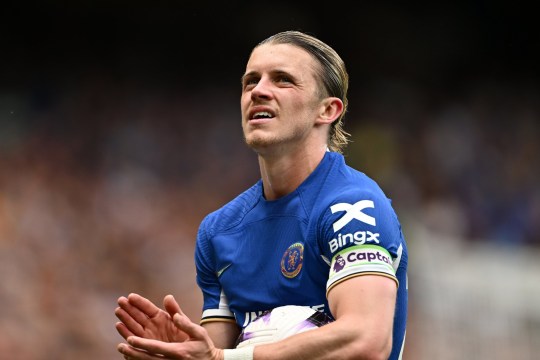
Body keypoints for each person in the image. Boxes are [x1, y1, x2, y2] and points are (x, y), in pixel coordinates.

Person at [115, 30, 408, 360]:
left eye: (282, 80)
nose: (259, 91)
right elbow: (214, 354)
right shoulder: (219, 231)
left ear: (327, 110)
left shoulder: (352, 206)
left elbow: (367, 341)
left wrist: (224, 358)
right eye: (250, 81)